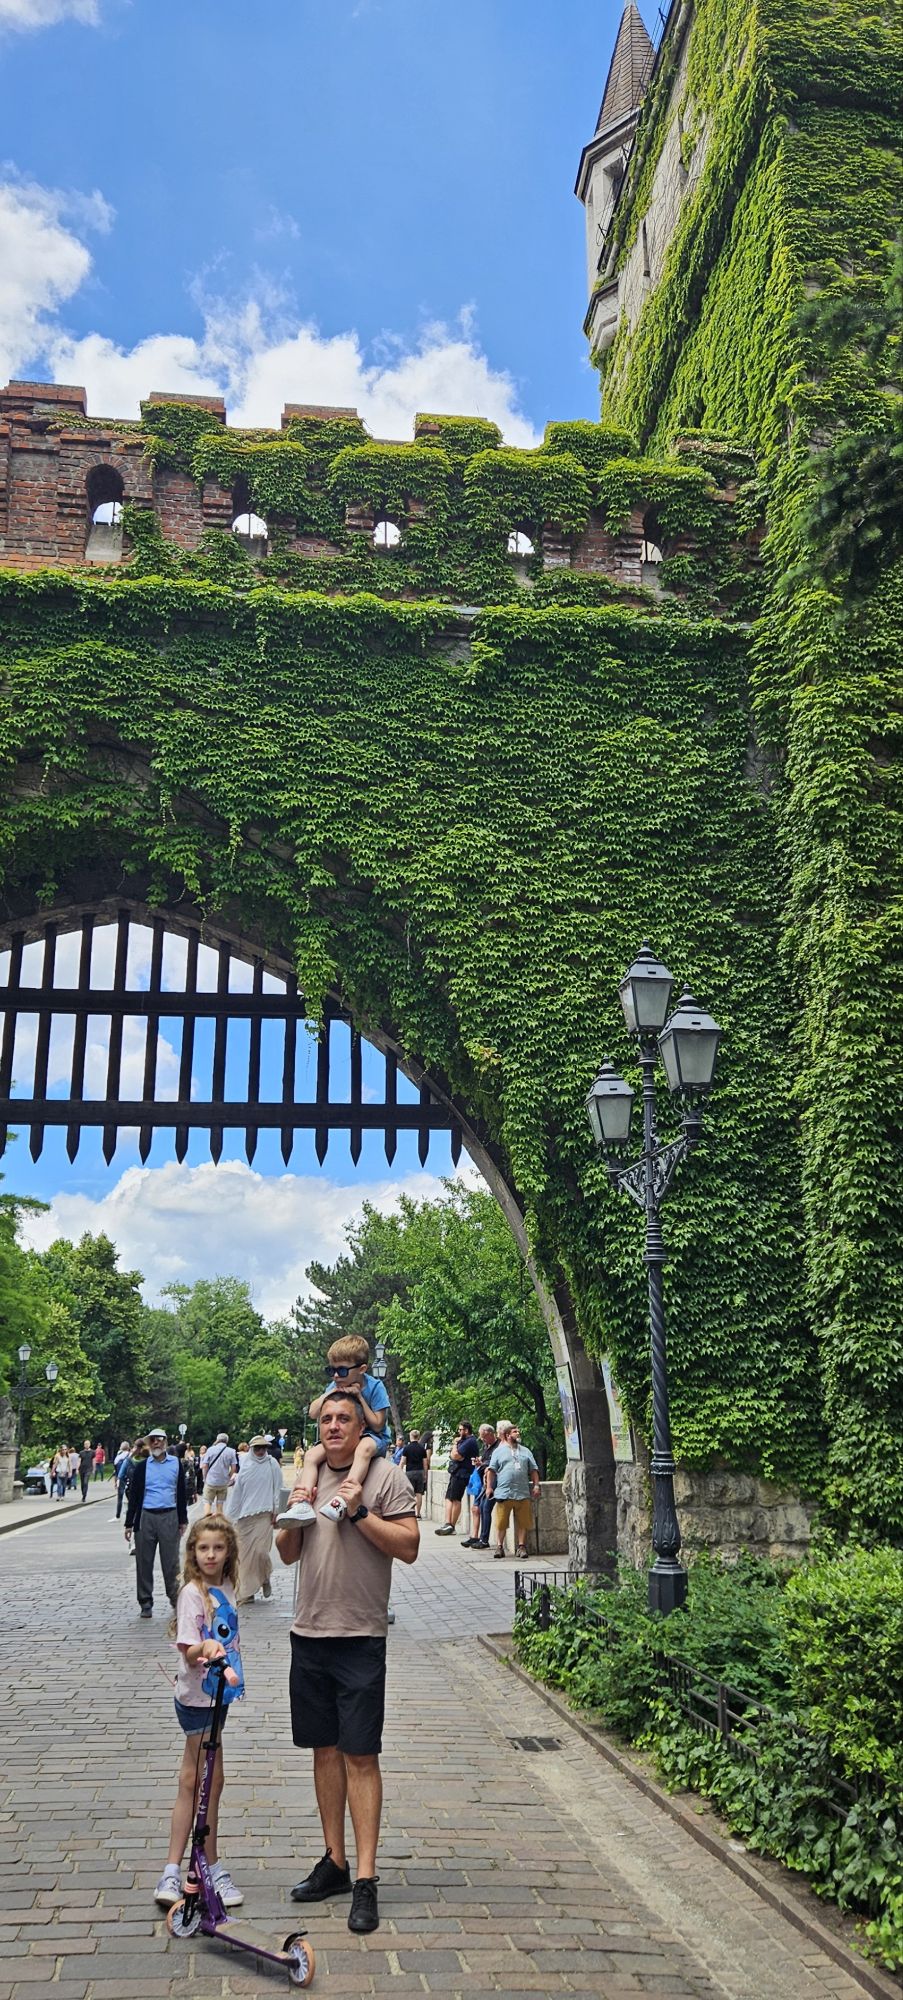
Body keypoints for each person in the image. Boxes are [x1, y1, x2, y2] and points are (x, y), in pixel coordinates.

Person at [275, 1388, 419, 1935]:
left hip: (360, 1637)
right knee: (324, 1751)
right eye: (327, 1419)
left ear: (362, 1429)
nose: (334, 1426)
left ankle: (365, 1877)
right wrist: (297, 1508)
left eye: (344, 1419)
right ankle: (334, 1862)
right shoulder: (308, 1477)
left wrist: (357, 1511)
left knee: (361, 1755)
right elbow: (287, 1553)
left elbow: (408, 1546)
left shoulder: (385, 1476)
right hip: (309, 1633)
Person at [154, 1515, 244, 1912]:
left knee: (200, 1780)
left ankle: (189, 1866)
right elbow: (188, 1650)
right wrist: (205, 1648)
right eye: (203, 1548)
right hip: (196, 1700)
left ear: (229, 1552)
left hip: (217, 1697)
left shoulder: (227, 1586)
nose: (210, 1555)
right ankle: (197, 1867)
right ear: (193, 1552)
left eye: (218, 1548)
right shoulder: (193, 1593)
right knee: (203, 1781)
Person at [279, 1336, 390, 1527]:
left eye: (342, 1370)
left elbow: (378, 1424)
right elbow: (313, 1412)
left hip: (373, 1437)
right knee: (311, 1455)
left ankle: (344, 1498)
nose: (336, 1376)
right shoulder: (334, 1385)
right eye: (331, 1370)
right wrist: (330, 1393)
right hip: (345, 1437)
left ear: (362, 1369)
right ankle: (303, 1502)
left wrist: (359, 1398)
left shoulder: (375, 1387)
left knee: (363, 1449)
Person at [125, 1426, 189, 1616]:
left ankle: (175, 1598)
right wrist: (129, 1523)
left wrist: (182, 1519)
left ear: (165, 1442)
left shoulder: (176, 1464)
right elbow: (134, 1496)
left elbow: (181, 1493)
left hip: (169, 1515)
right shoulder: (142, 1467)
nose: (156, 1443)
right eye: (152, 1440)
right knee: (144, 1562)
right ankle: (145, 1602)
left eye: (159, 1440)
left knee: (171, 1562)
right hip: (146, 1516)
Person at [226, 1434, 284, 1603]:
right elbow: (237, 1494)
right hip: (245, 1518)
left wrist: (277, 1511)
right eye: (257, 1448)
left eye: (263, 1448)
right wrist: (229, 1518)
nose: (260, 1451)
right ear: (251, 1449)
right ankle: (247, 1593)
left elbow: (278, 1488)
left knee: (260, 1553)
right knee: (244, 1558)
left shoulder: (272, 1464)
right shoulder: (245, 1466)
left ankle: (264, 1575)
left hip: (265, 1515)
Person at [485, 1423, 541, 1559]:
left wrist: (536, 1486)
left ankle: (521, 1547)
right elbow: (491, 1471)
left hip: (522, 1492)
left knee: (523, 1521)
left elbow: (534, 1470)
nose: (518, 1433)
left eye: (518, 1431)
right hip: (504, 1492)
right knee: (501, 1522)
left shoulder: (526, 1451)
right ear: (507, 1435)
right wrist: (489, 1487)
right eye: (515, 1432)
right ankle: (499, 1547)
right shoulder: (498, 1451)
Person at [464, 1422, 506, 1550]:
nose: (482, 1440)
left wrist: (483, 1464)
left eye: (484, 1437)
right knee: (481, 1507)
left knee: (486, 1507)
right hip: (486, 1480)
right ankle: (480, 1537)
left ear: (491, 1434)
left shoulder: (499, 1446)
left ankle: (484, 1539)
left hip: (495, 1481)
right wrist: (480, 1462)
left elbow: (494, 1464)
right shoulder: (486, 1446)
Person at [434, 1421, 480, 1536]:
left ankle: (451, 1525)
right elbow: (455, 1456)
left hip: (462, 1473)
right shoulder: (464, 1441)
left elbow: (455, 1455)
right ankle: (448, 1524)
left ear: (466, 1430)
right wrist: (456, 1453)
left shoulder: (470, 1441)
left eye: (460, 1430)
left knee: (455, 1498)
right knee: (449, 1497)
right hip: (456, 1472)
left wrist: (454, 1445)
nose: (459, 1432)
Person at [202, 1432, 238, 1514]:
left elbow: (205, 1466)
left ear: (217, 1440)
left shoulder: (210, 1450)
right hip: (223, 1482)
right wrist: (228, 1477)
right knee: (220, 1504)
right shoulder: (231, 1451)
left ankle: (207, 1517)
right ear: (227, 1441)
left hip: (211, 1481)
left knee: (207, 1502)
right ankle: (219, 1519)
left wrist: (205, 1478)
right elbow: (234, 1467)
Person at [398, 1430, 430, 1518]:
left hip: (409, 1472)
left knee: (409, 1493)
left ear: (410, 1436)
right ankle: (418, 1513)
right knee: (419, 1493)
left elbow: (402, 1462)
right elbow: (425, 1463)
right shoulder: (422, 1448)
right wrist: (425, 1474)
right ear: (418, 1437)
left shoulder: (407, 1448)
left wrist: (399, 1472)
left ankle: (410, 1512)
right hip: (420, 1472)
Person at [113, 1441, 132, 1518]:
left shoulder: (118, 1457)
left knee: (120, 1498)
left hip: (120, 1479)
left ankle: (118, 1515)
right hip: (129, 1478)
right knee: (130, 1497)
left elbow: (115, 1470)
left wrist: (116, 1481)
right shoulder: (130, 1456)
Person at [78, 1438, 94, 1503]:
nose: (86, 1445)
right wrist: (77, 1468)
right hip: (82, 1469)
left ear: (89, 1445)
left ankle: (84, 1496)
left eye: (88, 1444)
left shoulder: (92, 1452)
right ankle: (83, 1493)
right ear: (84, 1445)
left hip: (89, 1469)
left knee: (85, 1482)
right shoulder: (81, 1452)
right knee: (82, 1483)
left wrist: (94, 1469)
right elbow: (79, 1461)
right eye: (85, 1444)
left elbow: (94, 1461)